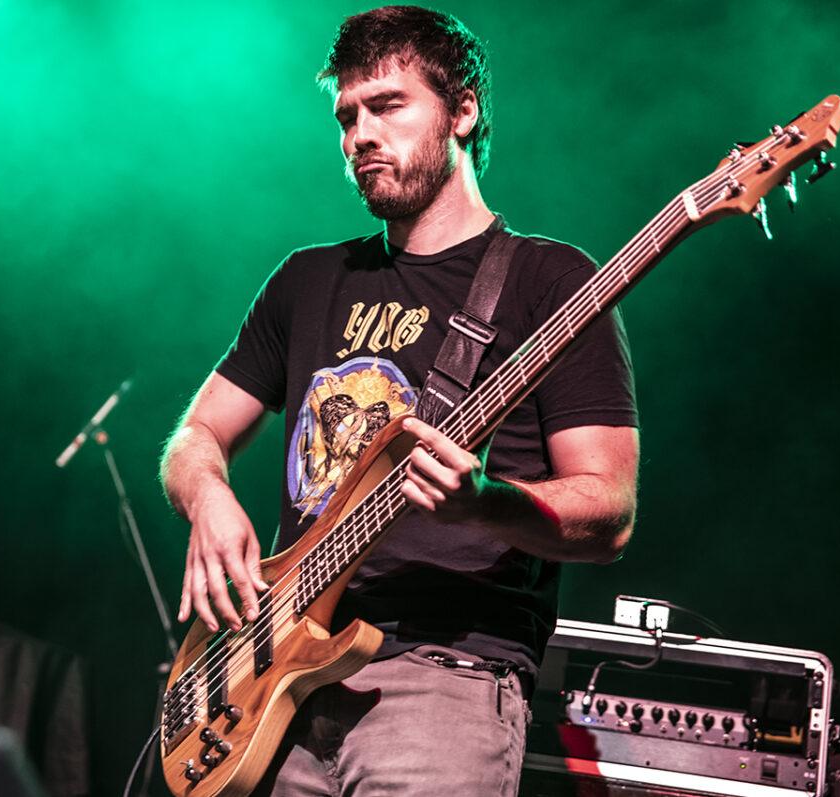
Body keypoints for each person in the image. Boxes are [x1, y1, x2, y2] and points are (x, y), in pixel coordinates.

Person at [159, 6, 639, 795]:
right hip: (276, 682)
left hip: (441, 678)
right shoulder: (308, 280)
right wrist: (208, 496)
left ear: (462, 111)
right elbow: (194, 435)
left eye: (387, 106)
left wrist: (483, 502)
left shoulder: (550, 282)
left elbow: (609, 511)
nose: (360, 136)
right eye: (347, 117)